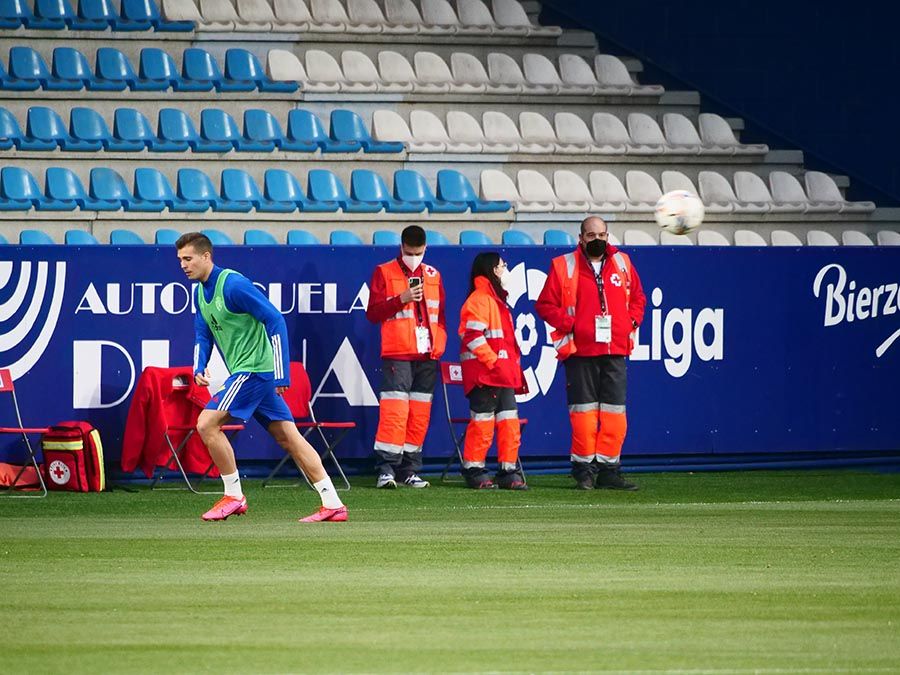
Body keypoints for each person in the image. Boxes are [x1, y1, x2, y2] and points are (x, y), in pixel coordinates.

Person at [176, 232, 348, 522]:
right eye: (180, 259)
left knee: (206, 424)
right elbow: (202, 334)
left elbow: (275, 319)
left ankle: (234, 496)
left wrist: (282, 372)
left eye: (188, 258)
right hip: (252, 373)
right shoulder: (199, 293)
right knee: (289, 438)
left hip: (254, 370)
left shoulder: (233, 285)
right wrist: (199, 367)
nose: (183, 265)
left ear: (206, 256)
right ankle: (333, 503)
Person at [535, 216, 646, 490]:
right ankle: (583, 471)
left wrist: (630, 322)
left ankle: (609, 471)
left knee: (614, 416)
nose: (597, 239)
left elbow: (638, 298)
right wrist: (571, 324)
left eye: (601, 235)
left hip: (615, 350)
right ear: (581, 238)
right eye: (591, 235)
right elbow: (545, 305)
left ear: (608, 236)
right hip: (580, 352)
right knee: (583, 416)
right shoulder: (563, 265)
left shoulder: (623, 262)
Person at [365, 225, 447, 488]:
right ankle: (386, 469)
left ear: (426, 249)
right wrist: (401, 298)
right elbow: (373, 313)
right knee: (395, 411)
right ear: (401, 248)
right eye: (410, 253)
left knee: (419, 413)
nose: (414, 257)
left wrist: (439, 343)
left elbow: (440, 316)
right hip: (397, 352)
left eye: (418, 253)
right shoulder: (384, 271)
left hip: (428, 354)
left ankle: (409, 469)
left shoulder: (433, 274)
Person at [458, 252, 527, 490]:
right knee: (483, 424)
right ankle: (474, 469)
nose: (505, 270)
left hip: (500, 374)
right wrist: (493, 362)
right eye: (502, 266)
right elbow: (471, 336)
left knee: (509, 423)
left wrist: (502, 366)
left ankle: (508, 470)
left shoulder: (495, 300)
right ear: (492, 270)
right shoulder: (481, 299)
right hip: (486, 375)